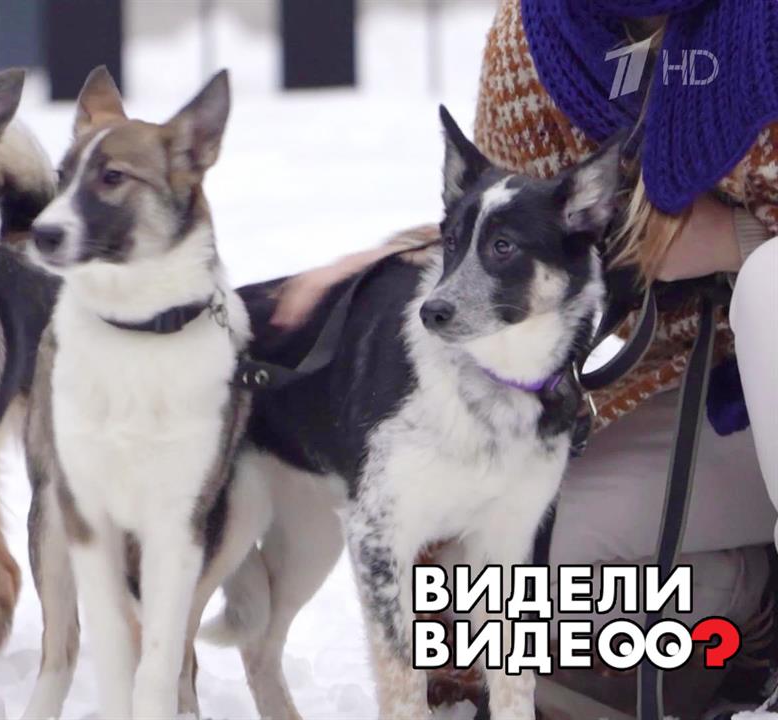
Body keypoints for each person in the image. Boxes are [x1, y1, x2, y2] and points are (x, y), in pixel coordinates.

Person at [272, 0, 778, 716]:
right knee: (504, 588)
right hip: (699, 404)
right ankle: (749, 606)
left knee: (771, 289)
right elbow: (505, 225)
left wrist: (737, 238)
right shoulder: (538, 37)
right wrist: (374, 267)